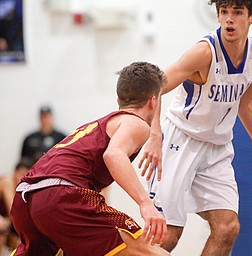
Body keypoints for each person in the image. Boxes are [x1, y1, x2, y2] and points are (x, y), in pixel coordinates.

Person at [138, 1, 252, 255]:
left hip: (217, 148)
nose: (229, 19)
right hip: (180, 140)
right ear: (217, 16)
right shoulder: (204, 52)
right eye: (224, 12)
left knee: (228, 227)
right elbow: (155, 86)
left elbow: (245, 104)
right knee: (169, 235)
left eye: (237, 13)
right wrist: (154, 133)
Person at [10, 62, 170, 256]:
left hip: (26, 197)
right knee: (147, 251)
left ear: (118, 100)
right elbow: (113, 154)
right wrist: (146, 203)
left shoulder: (96, 126)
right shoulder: (136, 122)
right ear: (153, 101)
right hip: (61, 194)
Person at [0, 158, 32, 255]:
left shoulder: (24, 188)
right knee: (2, 225)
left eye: (27, 175)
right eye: (21, 174)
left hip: (8, 222)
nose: (23, 178)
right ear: (15, 172)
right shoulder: (7, 182)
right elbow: (12, 211)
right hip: (5, 221)